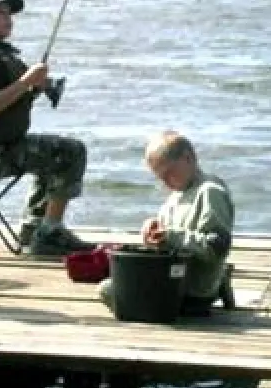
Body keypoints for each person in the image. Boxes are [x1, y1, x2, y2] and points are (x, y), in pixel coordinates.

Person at [0, 0, 94, 256]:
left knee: (49, 151)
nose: (8, 19)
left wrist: (34, 86)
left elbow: (8, 99)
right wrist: (26, 82)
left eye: (9, 13)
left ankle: (34, 227)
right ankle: (50, 231)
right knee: (70, 152)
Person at [99, 130, 236, 316]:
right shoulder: (176, 195)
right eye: (159, 178)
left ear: (188, 158)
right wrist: (153, 233)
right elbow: (167, 239)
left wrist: (171, 236)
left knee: (110, 290)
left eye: (169, 174)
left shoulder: (209, 192)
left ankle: (174, 309)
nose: (165, 182)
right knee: (117, 277)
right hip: (174, 276)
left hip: (191, 291)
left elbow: (217, 248)